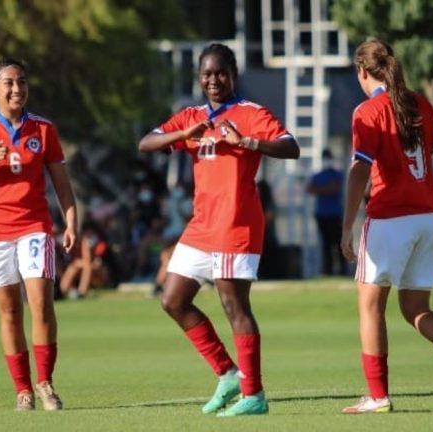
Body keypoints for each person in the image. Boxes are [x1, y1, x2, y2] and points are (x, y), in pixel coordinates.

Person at [138, 43, 299, 416]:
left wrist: (246, 142)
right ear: (199, 77)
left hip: (236, 223)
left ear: (234, 74)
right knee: (173, 300)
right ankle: (227, 373)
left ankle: (254, 394)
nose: (213, 80)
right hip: (201, 226)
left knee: (234, 306)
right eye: (206, 74)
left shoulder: (250, 113)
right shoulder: (192, 116)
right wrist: (182, 135)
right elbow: (145, 143)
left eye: (220, 73)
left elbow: (291, 147)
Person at [340, 39, 433, 414]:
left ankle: (378, 396)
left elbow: (359, 170)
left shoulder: (366, 111)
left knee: (370, 306)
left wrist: (346, 226)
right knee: (416, 308)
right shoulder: (418, 102)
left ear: (362, 72)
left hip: (390, 219)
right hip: (428, 220)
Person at [0, 58, 78, 411]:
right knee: (9, 312)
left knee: (41, 303)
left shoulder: (44, 129)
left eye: (21, 81)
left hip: (34, 226)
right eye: (8, 83)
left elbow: (62, 186)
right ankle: (22, 390)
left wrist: (71, 221)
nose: (16, 88)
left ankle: (46, 384)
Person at [306, 149, 346, 276]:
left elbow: (334, 188)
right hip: (322, 214)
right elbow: (309, 188)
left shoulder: (337, 174)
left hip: (335, 214)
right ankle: (327, 270)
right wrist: (326, 189)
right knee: (326, 244)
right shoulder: (318, 174)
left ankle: (342, 270)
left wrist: (320, 189)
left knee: (338, 243)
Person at [59, 221, 110, 298]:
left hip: (99, 272)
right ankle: (65, 290)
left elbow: (90, 260)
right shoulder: (74, 242)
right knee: (74, 267)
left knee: (86, 266)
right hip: (83, 268)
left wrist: (85, 244)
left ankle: (82, 292)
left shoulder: (98, 243)